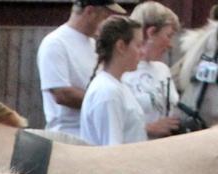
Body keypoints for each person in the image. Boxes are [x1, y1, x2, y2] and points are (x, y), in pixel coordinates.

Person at [37, 0, 129, 137]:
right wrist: (105, 101)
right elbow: (61, 94)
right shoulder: (55, 43)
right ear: (89, 12)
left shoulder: (93, 44)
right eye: (104, 17)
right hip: (68, 135)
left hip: (94, 132)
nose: (106, 23)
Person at [81, 15, 149, 143]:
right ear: (121, 46)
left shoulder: (117, 86)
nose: (142, 52)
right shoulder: (108, 92)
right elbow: (112, 150)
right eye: (138, 45)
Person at [122, 1, 182, 136]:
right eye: (168, 35)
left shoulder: (163, 70)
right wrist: (148, 128)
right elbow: (114, 124)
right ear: (151, 32)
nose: (170, 44)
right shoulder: (121, 71)